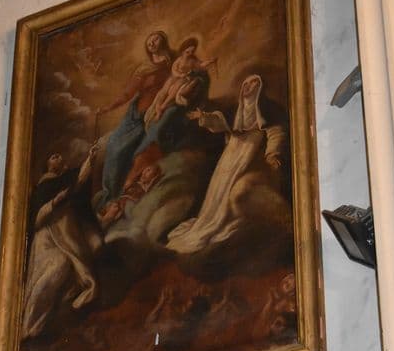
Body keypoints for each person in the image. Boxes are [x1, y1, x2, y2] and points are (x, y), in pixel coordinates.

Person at [166, 74, 288, 254]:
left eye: (254, 83)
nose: (249, 86)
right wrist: (204, 117)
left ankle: (228, 219)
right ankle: (214, 218)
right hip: (233, 151)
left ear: (259, 87)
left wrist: (272, 153)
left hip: (252, 152)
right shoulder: (237, 108)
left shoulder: (267, 108)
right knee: (220, 186)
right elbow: (221, 122)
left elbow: (275, 131)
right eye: (246, 83)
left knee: (236, 187)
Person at [21, 146, 102, 339]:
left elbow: (78, 181)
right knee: (58, 265)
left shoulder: (64, 180)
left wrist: (90, 160)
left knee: (72, 269)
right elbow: (36, 219)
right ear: (47, 165)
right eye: (53, 156)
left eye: (59, 156)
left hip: (66, 234)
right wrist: (54, 202)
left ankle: (53, 320)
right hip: (47, 239)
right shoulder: (42, 187)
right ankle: (30, 325)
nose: (58, 157)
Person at [96, 31, 174, 207]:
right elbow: (127, 94)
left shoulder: (172, 64)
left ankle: (126, 193)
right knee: (115, 146)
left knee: (142, 151)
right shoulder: (144, 69)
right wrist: (108, 108)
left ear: (163, 42)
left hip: (157, 113)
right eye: (149, 40)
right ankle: (110, 195)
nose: (151, 42)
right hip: (136, 116)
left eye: (156, 39)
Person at [144, 38, 216, 126]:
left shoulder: (193, 60)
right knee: (163, 91)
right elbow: (173, 69)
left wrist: (210, 61)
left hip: (184, 79)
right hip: (174, 77)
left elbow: (201, 65)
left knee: (175, 90)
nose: (190, 54)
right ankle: (157, 107)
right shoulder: (179, 59)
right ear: (183, 51)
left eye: (192, 51)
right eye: (187, 52)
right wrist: (179, 75)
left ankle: (163, 107)